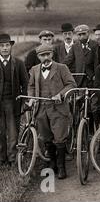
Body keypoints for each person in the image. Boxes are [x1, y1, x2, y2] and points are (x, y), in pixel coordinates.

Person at [27, 44, 76, 179]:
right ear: (38, 57)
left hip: (58, 109)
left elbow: (71, 84)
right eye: (43, 55)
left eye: (48, 54)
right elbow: (31, 86)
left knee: (59, 138)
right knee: (46, 137)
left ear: (52, 55)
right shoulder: (34, 70)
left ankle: (61, 167)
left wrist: (60, 95)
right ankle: (52, 164)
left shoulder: (62, 68)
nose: (46, 57)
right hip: (41, 108)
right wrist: (31, 98)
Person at [0, 34, 28, 167]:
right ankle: (2, 158)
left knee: (12, 132)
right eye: (1, 46)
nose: (4, 48)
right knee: (1, 131)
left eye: (7, 45)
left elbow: (25, 84)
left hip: (12, 102)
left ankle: (11, 159)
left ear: (11, 46)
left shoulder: (18, 63)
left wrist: (23, 100)